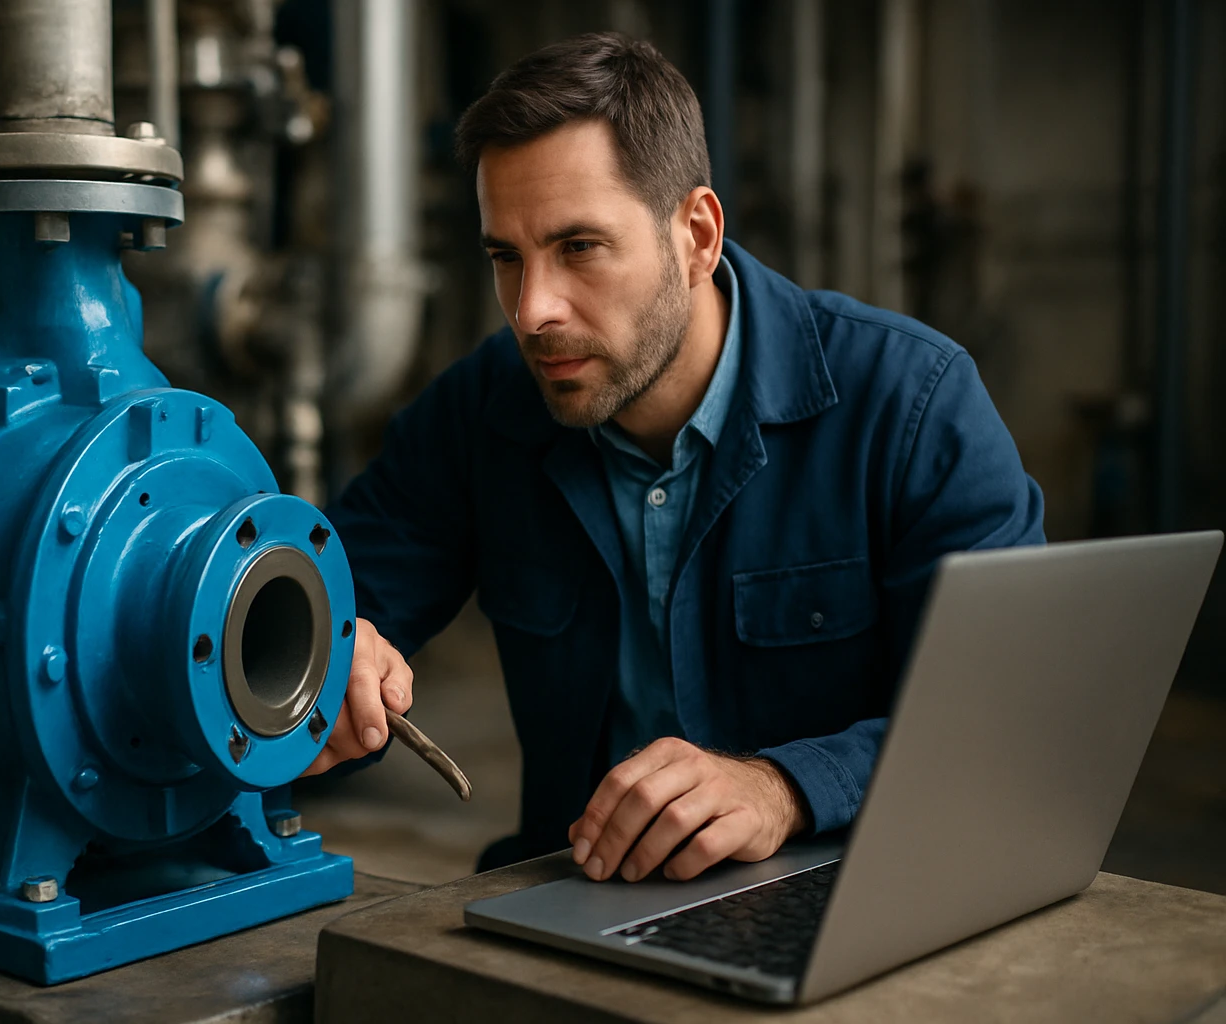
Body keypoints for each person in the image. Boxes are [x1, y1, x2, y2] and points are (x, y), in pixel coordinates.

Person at [304, 32, 1044, 883]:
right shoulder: (481, 412)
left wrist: (784, 789)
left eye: (579, 248)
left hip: (851, 894)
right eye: (507, 257)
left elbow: (1005, 717)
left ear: (697, 235)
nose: (532, 310)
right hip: (573, 898)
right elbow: (324, 618)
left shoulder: (910, 402)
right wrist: (329, 672)